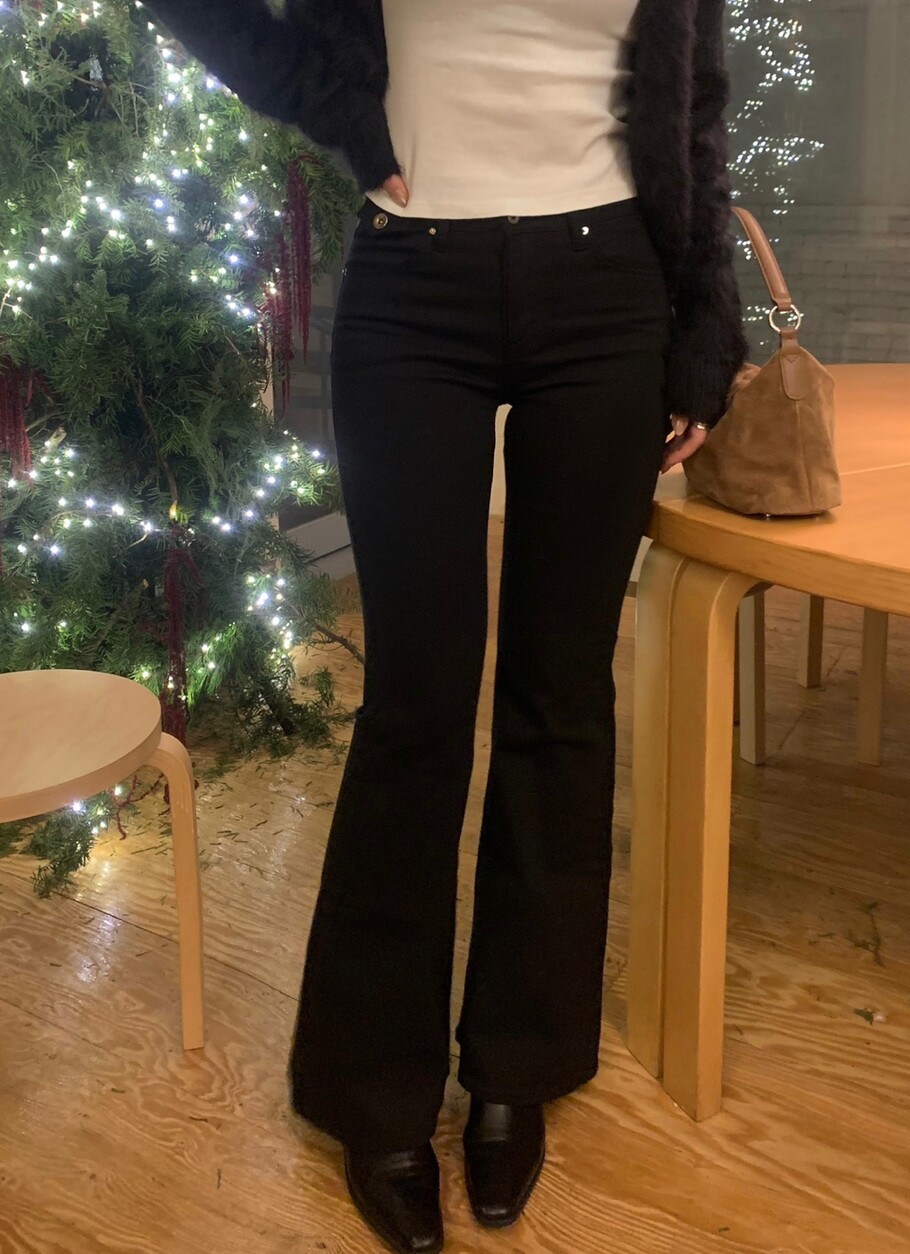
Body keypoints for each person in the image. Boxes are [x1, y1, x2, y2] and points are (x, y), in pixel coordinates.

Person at [143, 2, 750, 1251]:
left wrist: (705, 321)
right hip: (411, 286)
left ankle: (519, 1066)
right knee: (415, 704)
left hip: (610, 286)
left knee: (560, 696)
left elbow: (692, 109)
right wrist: (339, 111)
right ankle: (373, 1089)